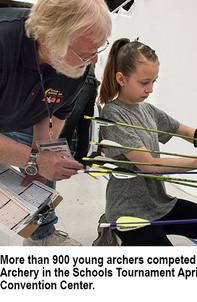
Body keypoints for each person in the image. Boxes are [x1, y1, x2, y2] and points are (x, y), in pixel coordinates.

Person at [97, 38, 197, 246]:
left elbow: (191, 133)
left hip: (159, 205)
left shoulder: (148, 110)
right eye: (144, 82)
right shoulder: (112, 114)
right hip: (130, 214)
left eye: (154, 81)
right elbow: (149, 166)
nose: (151, 89)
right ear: (121, 79)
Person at [0, 0, 112, 246]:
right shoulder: (3, 41)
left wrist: (41, 164)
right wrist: (34, 159)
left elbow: (53, 113)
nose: (93, 61)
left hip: (17, 113)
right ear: (51, 38)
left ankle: (40, 235)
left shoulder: (76, 65)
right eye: (85, 53)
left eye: (97, 50)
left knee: (49, 157)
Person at [59, 64, 100, 166]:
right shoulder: (92, 55)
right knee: (84, 127)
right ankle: (81, 161)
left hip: (82, 85)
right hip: (92, 86)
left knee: (69, 124)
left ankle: (63, 159)